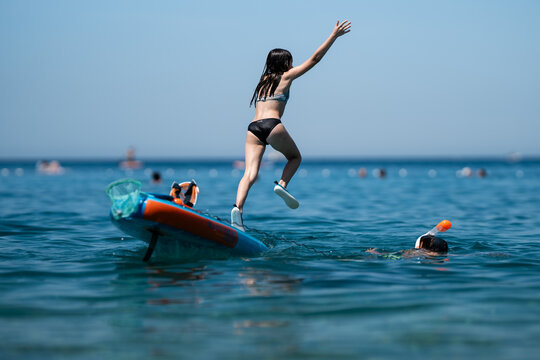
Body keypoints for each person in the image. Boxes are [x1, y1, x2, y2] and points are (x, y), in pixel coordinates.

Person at [231, 20, 352, 231]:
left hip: (253, 128)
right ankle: (282, 185)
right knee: (295, 157)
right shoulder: (285, 77)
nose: (292, 65)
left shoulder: (263, 81)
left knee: (249, 174)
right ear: (284, 63)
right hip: (272, 125)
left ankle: (237, 210)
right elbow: (315, 59)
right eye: (290, 61)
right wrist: (333, 36)